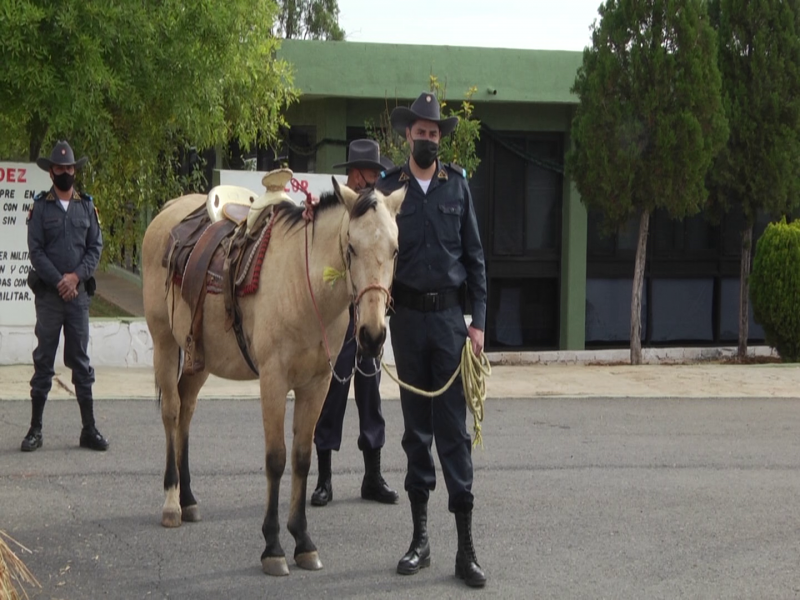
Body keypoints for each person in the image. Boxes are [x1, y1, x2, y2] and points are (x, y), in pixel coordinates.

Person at [376, 93, 488, 588]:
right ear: (407, 136)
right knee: (415, 433)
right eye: (419, 132)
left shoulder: (457, 188)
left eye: (433, 133)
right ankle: (420, 541)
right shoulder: (385, 190)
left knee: (454, 435)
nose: (426, 140)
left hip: (448, 324)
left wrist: (478, 323)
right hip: (406, 322)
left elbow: (476, 260)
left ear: (440, 139)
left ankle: (465, 549)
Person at [310, 139, 399, 507]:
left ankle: (372, 476)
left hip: (370, 316)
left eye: (373, 173)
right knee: (331, 397)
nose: (366, 179)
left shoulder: (383, 214)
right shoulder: (338, 214)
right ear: (350, 174)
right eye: (361, 172)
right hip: (340, 319)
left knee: (370, 394)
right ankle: (324, 478)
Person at [22, 140, 108, 452]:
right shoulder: (41, 208)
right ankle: (35, 430)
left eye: (69, 168)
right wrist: (60, 280)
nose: (65, 173)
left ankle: (89, 430)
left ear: (75, 171)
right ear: (51, 173)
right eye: (60, 169)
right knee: (44, 360)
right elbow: (36, 250)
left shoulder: (86, 206)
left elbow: (94, 247)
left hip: (78, 298)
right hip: (49, 298)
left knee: (81, 363)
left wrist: (75, 277)